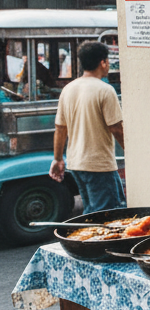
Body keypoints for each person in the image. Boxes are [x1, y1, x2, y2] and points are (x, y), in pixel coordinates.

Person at [50, 41, 126, 214]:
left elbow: (60, 128)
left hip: (76, 164)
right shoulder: (105, 90)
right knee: (107, 216)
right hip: (99, 165)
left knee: (91, 214)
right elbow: (116, 128)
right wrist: (134, 154)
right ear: (103, 62)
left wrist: (57, 159)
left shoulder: (68, 89)